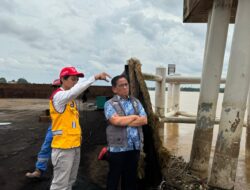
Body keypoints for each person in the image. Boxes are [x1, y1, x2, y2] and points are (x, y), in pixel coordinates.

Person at [49, 66, 110, 190]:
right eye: (73, 79)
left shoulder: (70, 100)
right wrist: (95, 77)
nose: (75, 82)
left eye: (77, 79)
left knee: (70, 181)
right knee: (60, 184)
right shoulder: (59, 97)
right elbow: (74, 91)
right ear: (63, 79)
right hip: (63, 147)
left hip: (74, 146)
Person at [104, 74, 148, 190]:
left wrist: (124, 121)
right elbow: (115, 120)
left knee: (130, 178)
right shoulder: (109, 104)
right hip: (118, 147)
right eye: (121, 85)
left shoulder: (135, 102)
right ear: (114, 89)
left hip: (134, 146)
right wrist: (134, 117)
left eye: (126, 84)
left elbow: (144, 120)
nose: (125, 87)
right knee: (114, 177)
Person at [25, 79, 61, 178]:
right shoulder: (54, 98)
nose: (56, 89)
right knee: (46, 147)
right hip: (54, 126)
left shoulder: (68, 98)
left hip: (65, 128)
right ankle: (39, 170)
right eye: (55, 87)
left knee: (62, 151)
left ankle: (63, 174)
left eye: (58, 86)